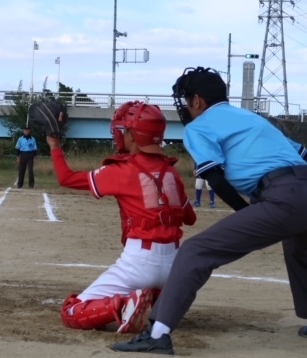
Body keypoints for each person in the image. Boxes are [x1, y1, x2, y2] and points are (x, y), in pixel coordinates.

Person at [113, 67, 307, 354]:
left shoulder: (199, 127)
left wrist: (244, 211)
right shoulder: (252, 117)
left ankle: (158, 333)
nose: (186, 106)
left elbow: (213, 176)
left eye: (187, 99)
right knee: (299, 246)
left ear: (199, 101)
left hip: (280, 196)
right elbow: (302, 153)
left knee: (195, 251)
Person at [49, 101, 196, 334]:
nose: (120, 135)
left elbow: (65, 178)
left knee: (71, 311)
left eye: (124, 130)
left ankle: (122, 305)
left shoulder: (121, 170)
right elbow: (190, 218)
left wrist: (54, 145)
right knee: (153, 284)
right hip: (173, 266)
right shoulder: (171, 172)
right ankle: (158, 298)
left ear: (134, 135)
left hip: (140, 261)